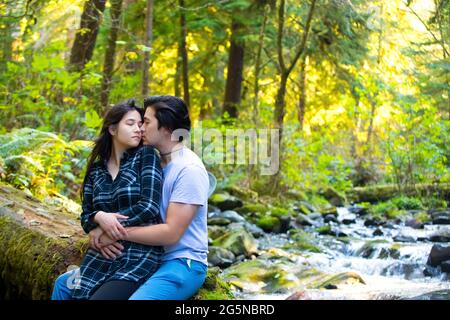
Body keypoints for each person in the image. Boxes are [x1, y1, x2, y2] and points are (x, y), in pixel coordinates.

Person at [52, 95, 209, 300]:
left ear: (167, 128)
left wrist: (113, 232)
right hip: (148, 254)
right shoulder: (152, 162)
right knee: (64, 285)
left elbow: (171, 233)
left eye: (147, 122)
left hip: (181, 262)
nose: (141, 128)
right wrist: (97, 224)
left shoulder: (189, 170)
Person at [51, 99, 163, 300]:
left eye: (140, 124)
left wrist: (106, 228)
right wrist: (99, 217)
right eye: (130, 124)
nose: (138, 129)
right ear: (112, 129)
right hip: (101, 255)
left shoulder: (146, 156)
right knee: (65, 288)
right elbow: (86, 216)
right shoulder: (96, 170)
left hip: (138, 254)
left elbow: (149, 206)